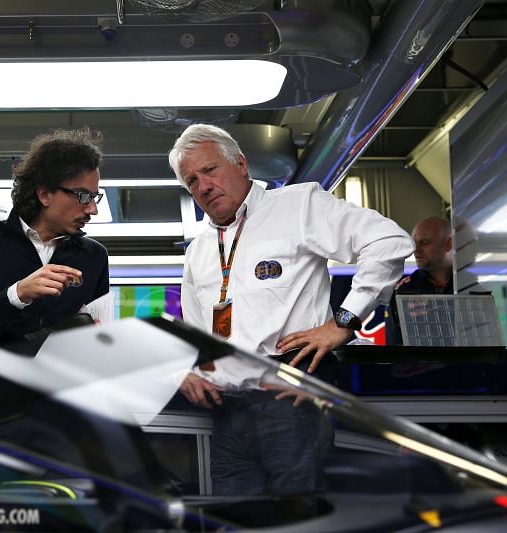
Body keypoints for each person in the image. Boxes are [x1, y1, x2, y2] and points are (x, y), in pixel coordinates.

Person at [168, 124, 413, 495]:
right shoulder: (198, 250)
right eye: (191, 180)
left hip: (290, 401)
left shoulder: (297, 207)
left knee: (299, 520)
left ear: (241, 164)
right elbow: (196, 333)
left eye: (210, 170)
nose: (203, 186)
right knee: (236, 523)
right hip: (226, 413)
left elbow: (389, 242)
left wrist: (345, 321)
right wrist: (187, 370)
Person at [0, 128, 109, 354]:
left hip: (61, 386)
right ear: (44, 194)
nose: (92, 209)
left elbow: (97, 335)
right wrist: (17, 295)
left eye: (95, 197)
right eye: (83, 196)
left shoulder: (93, 256)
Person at [385, 216, 453, 345]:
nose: (416, 249)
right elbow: (393, 350)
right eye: (414, 243)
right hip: (418, 365)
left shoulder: (470, 286)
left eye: (425, 242)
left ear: (448, 244)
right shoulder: (403, 291)